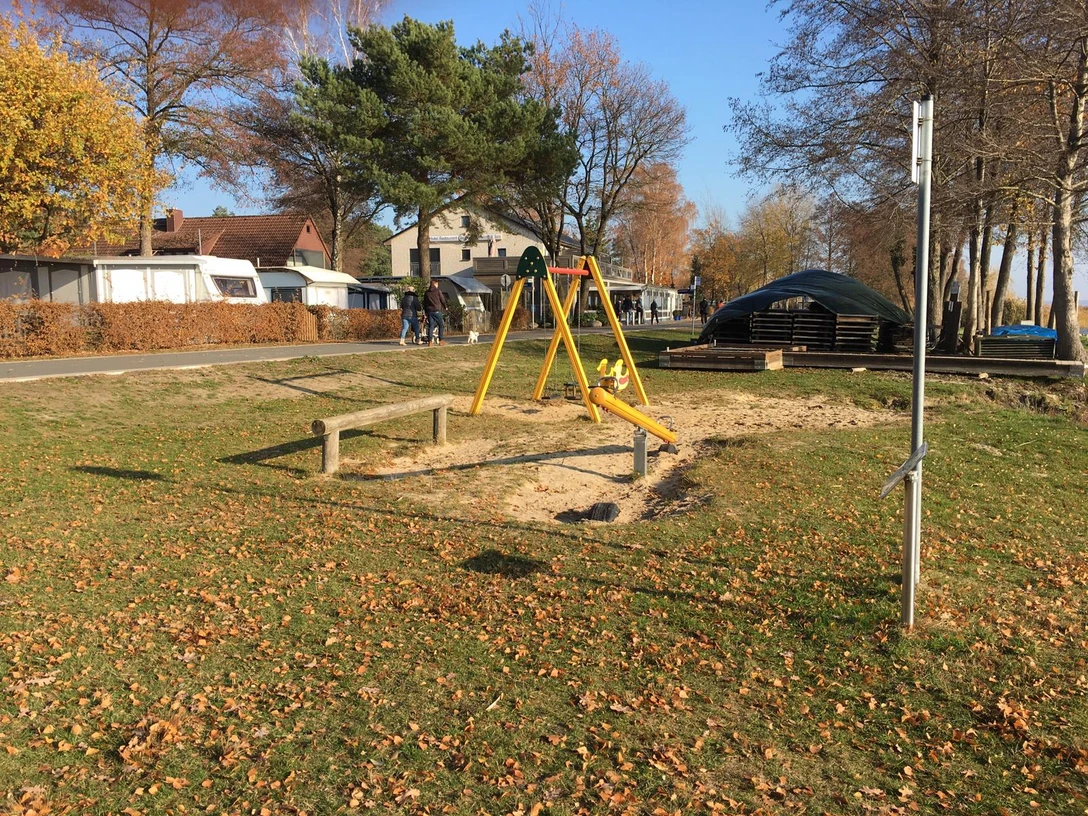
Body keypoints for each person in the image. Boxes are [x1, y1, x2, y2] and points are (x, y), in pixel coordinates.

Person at [423, 279, 448, 345]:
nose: (438, 285)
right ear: (435, 284)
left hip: (429, 311)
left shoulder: (427, 292)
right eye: (437, 284)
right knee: (441, 325)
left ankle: (430, 341)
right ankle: (441, 340)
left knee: (431, 325)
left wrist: (425, 312)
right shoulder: (438, 291)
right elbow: (442, 300)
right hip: (436, 310)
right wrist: (445, 307)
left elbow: (425, 303)